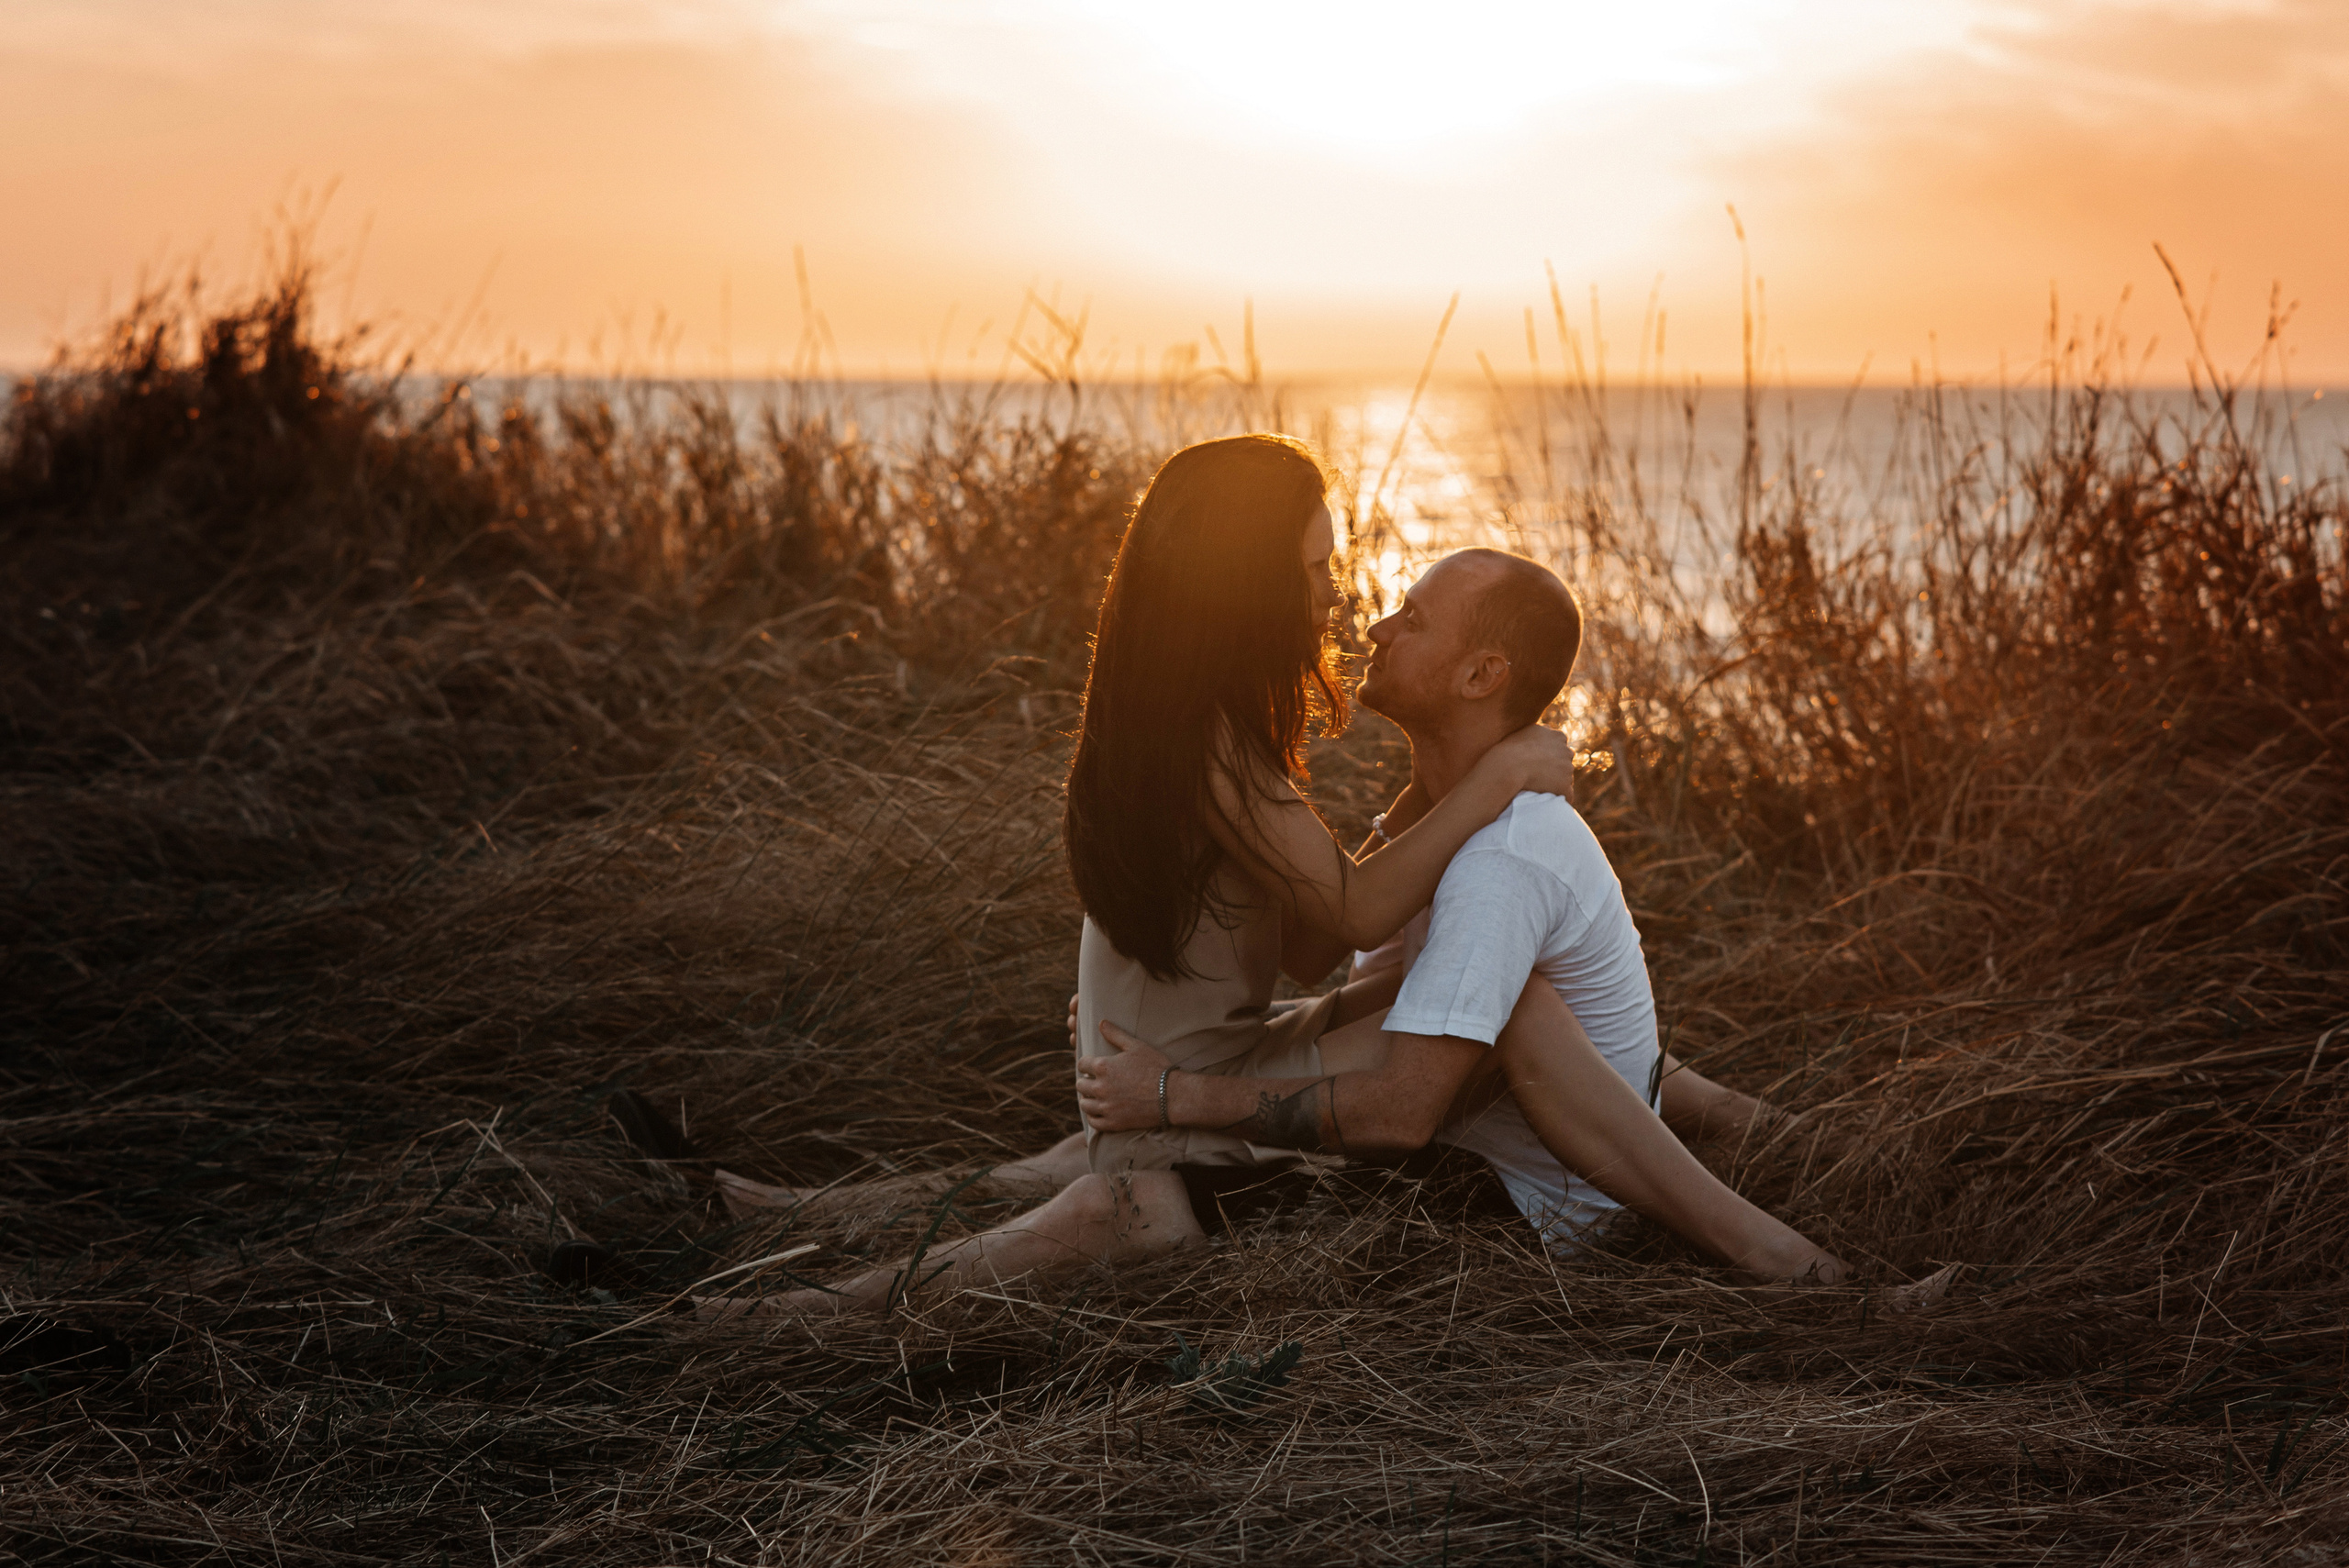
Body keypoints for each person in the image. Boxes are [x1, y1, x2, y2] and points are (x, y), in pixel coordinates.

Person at [689, 435, 1854, 1320]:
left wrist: (1417, 819)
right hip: (1186, 1076)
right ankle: (794, 1309)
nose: (1346, 600)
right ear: (1248, 584)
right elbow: (1349, 916)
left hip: (1196, 1053)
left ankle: (792, 1216)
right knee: (1116, 1173)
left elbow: (1309, 949)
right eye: (1318, 570)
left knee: (1065, 1160)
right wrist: (1493, 784)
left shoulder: (1191, 725)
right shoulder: (1217, 746)